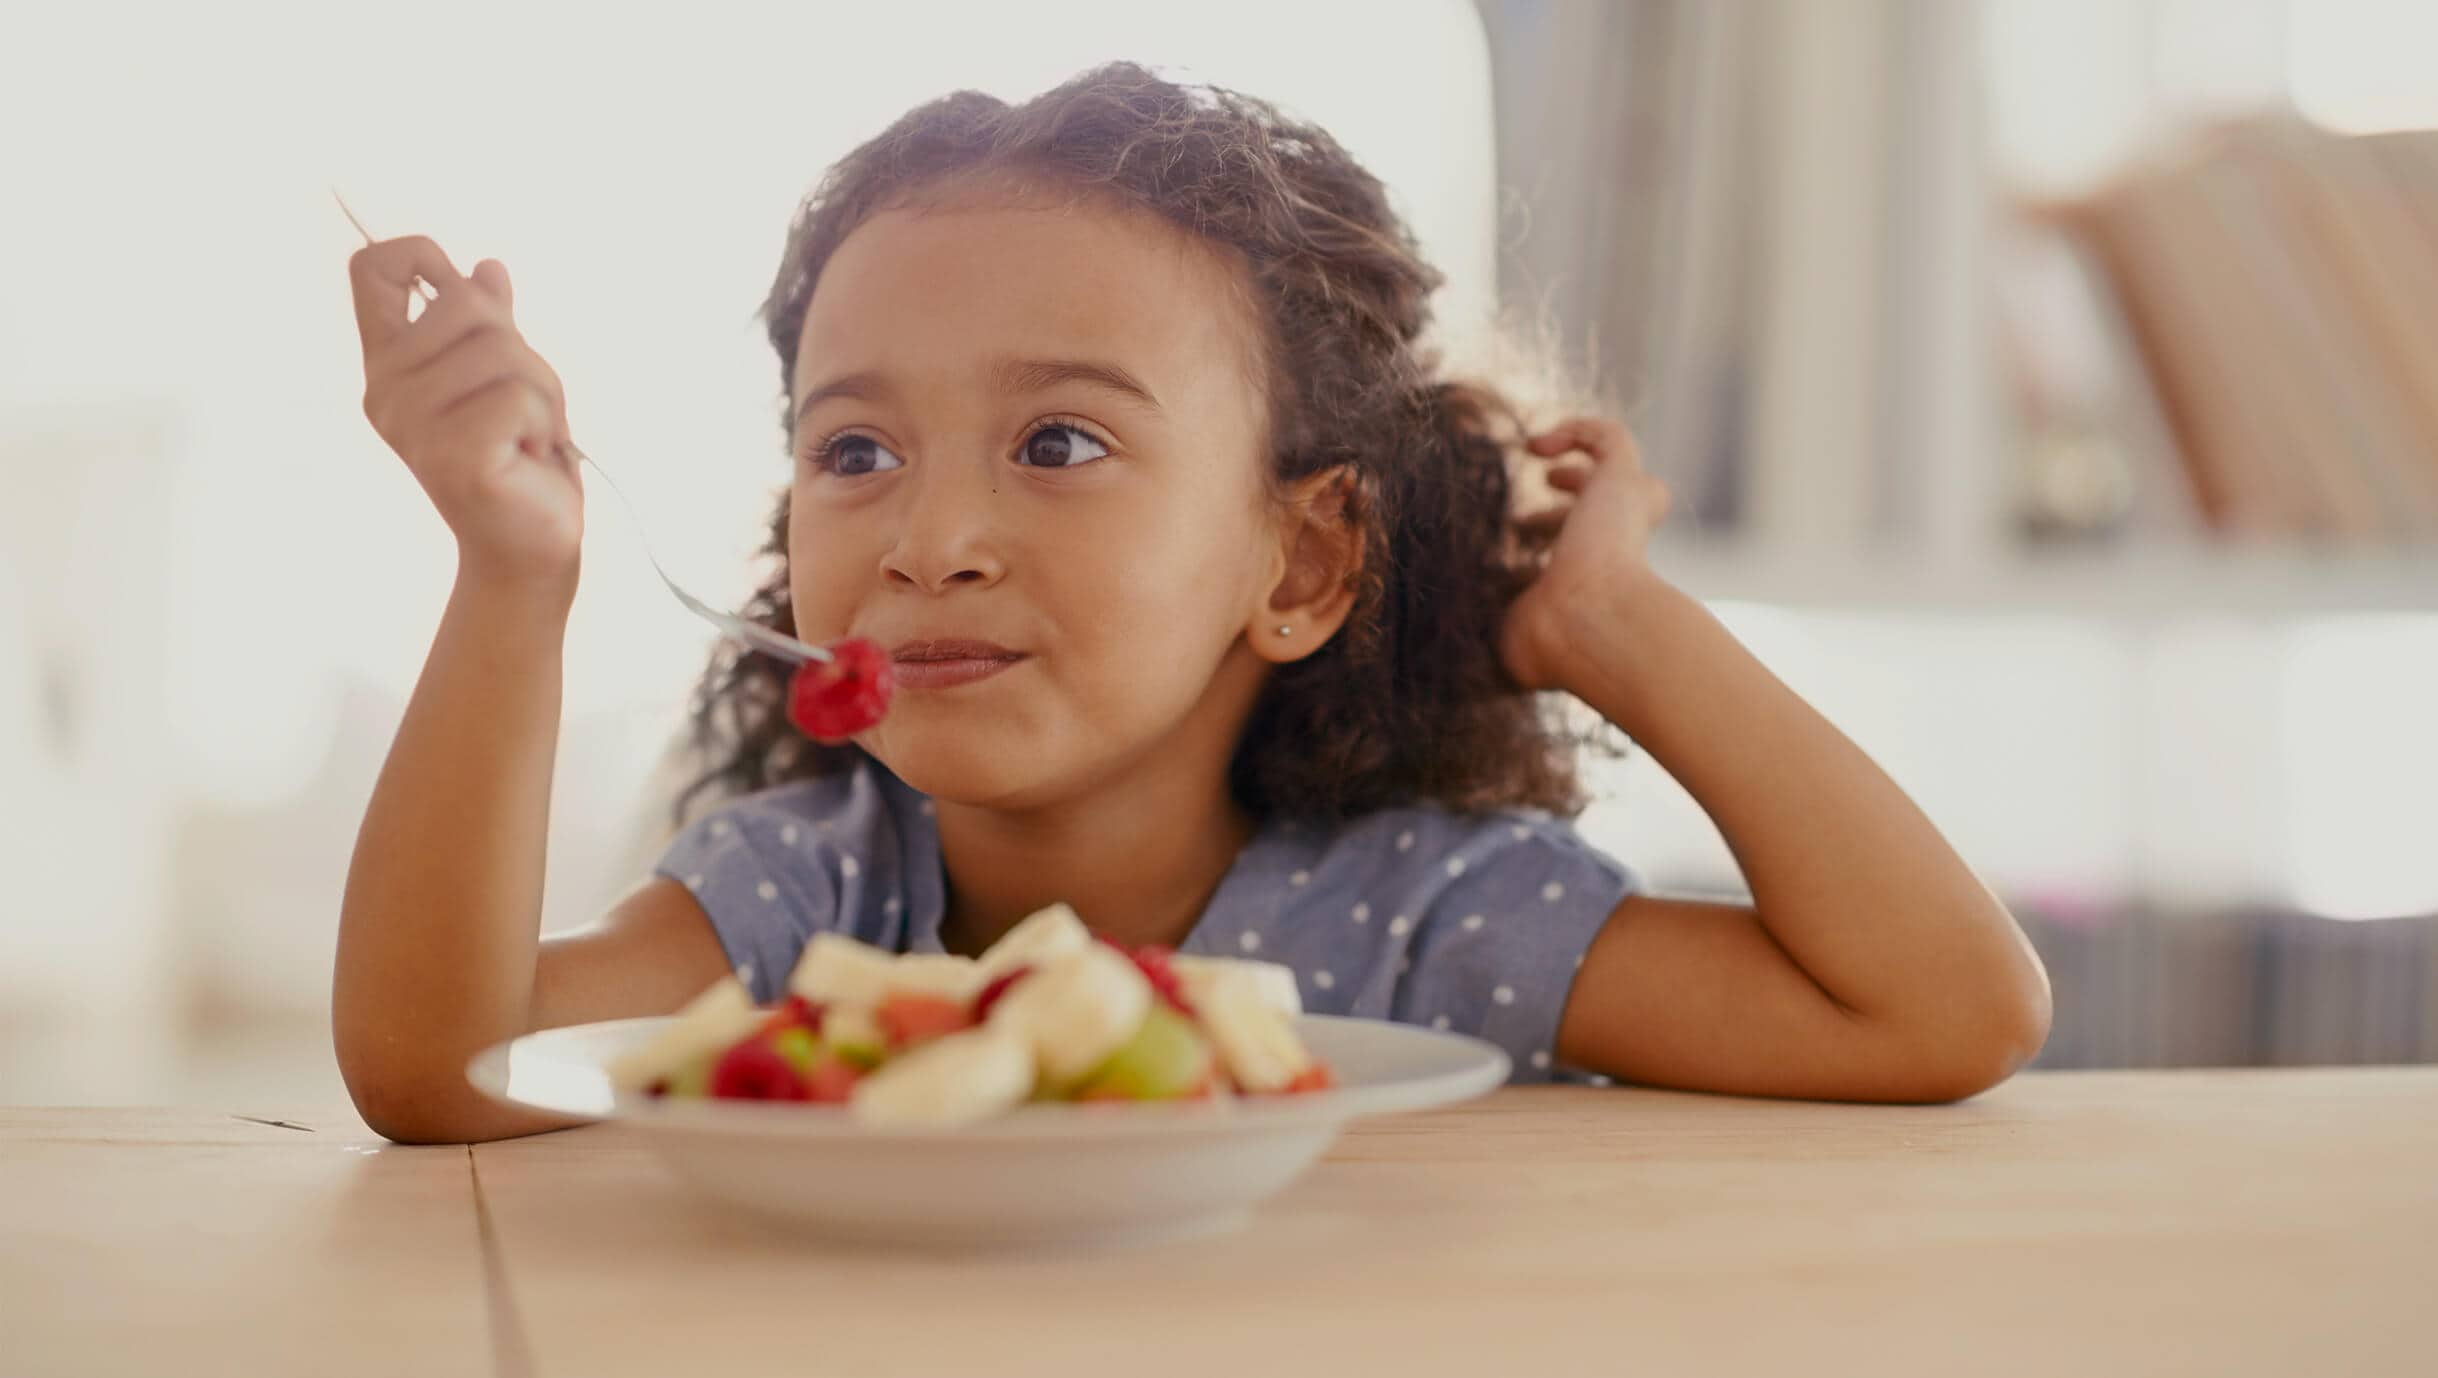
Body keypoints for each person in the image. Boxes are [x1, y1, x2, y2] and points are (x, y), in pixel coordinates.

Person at [334, 64, 2049, 1144]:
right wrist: (513, 570)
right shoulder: (815, 890)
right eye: (854, 448)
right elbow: (448, 1069)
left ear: (1298, 562)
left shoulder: (1416, 919)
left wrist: (1615, 631)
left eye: (1057, 440)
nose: (930, 537)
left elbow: (1942, 1011)